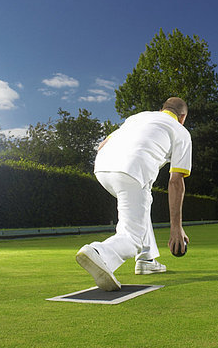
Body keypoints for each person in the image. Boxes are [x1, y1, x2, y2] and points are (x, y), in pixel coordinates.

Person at [76, 97, 192, 291]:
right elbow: (176, 181)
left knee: (144, 200)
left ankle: (146, 259)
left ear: (162, 109)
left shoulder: (138, 118)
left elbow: (102, 144)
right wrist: (176, 228)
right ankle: (99, 251)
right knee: (132, 238)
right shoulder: (181, 131)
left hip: (102, 168)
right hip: (132, 172)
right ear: (183, 117)